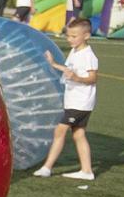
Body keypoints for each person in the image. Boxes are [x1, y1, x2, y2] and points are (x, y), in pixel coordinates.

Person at [31, 19, 99, 181]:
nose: (70, 39)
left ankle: (47, 168)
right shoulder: (75, 51)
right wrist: (54, 64)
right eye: (68, 36)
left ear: (86, 36)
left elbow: (92, 78)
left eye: (74, 36)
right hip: (75, 101)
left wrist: (76, 77)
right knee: (78, 134)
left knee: (60, 131)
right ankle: (87, 171)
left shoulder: (88, 55)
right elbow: (70, 71)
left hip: (80, 103)